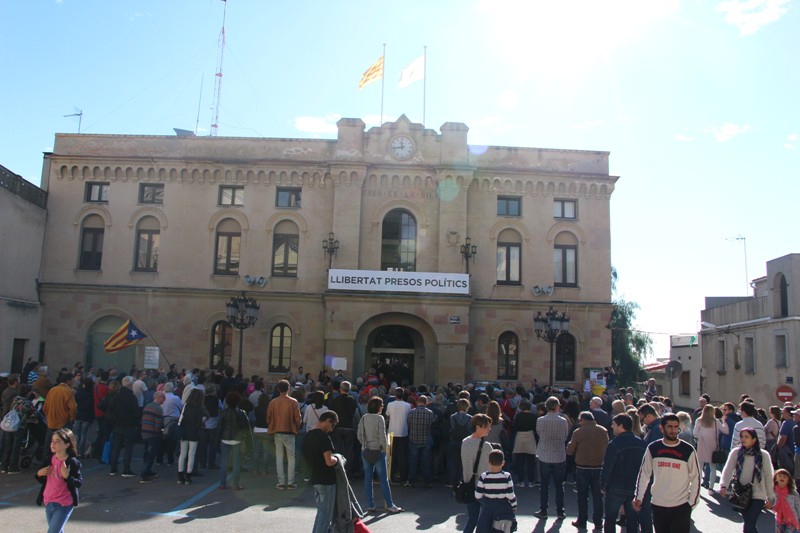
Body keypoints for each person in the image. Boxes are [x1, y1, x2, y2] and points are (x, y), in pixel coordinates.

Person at [634, 413, 701, 533]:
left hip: (681, 505)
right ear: (662, 428)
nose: (673, 430)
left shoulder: (688, 450)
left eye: (676, 427)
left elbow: (696, 478)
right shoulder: (653, 448)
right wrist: (639, 497)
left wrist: (691, 503)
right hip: (659, 504)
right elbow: (644, 474)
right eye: (670, 427)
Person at [601, 413, 652, 533]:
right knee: (632, 520)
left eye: (614, 425)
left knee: (610, 519)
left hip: (616, 487)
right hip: (634, 487)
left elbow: (608, 467)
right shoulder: (642, 443)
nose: (612, 427)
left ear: (621, 426)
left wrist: (603, 485)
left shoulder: (614, 444)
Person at [721, 428, 775, 532]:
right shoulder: (736, 452)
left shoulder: (763, 455)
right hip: (741, 493)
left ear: (754, 439)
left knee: (749, 523)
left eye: (747, 437)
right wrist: (724, 485)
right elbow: (728, 470)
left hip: (758, 494)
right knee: (749, 525)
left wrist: (771, 497)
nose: (743, 439)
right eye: (741, 436)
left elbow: (769, 476)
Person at [357, 396, 402, 514]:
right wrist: (385, 448)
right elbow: (382, 435)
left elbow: (359, 434)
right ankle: (390, 504)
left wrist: (365, 444)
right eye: (382, 405)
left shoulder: (364, 418)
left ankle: (371, 505)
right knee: (383, 479)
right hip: (378, 450)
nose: (382, 407)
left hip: (366, 450)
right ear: (378, 407)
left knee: (368, 479)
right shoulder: (379, 418)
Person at [566, 411, 609, 530]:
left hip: (582, 467)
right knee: (598, 497)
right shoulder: (603, 430)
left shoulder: (578, 432)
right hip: (599, 467)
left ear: (583, 420)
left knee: (582, 496)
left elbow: (570, 450)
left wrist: (570, 446)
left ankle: (582, 520)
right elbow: (607, 446)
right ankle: (598, 521)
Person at [36, 428, 83, 533]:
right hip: (49, 501)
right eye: (52, 441)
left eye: (58, 441)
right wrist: (39, 474)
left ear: (67, 445)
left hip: (64, 503)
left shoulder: (72, 462)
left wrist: (67, 477)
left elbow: (79, 483)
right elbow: (43, 480)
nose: (53, 444)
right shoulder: (49, 459)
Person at [534, 396, 570, 520]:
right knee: (559, 485)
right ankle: (560, 511)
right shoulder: (563, 421)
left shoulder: (540, 420)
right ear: (556, 407)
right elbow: (566, 435)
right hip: (559, 454)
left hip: (545, 454)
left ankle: (543, 510)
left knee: (544, 484)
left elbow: (539, 433)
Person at [305, 411, 340, 533]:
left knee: (321, 513)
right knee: (325, 516)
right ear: (328, 421)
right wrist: (337, 459)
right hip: (326, 480)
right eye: (332, 425)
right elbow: (329, 461)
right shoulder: (324, 438)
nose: (331, 429)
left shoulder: (308, 435)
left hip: (315, 478)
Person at [266, 379, 302, 490]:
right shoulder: (293, 402)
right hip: (290, 431)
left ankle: (281, 482)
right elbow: (298, 418)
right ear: (288, 389)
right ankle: (290, 482)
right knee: (291, 457)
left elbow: (268, 418)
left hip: (277, 431)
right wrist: (296, 428)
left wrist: (272, 426)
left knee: (279, 457)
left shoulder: (273, 402)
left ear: (278, 389)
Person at [461, 414, 494, 533]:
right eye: (487, 426)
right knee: (486, 521)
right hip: (484, 488)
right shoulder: (487, 447)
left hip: (469, 485)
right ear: (479, 426)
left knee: (472, 519)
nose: (489, 429)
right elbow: (490, 469)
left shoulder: (465, 442)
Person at [475, 449, 517, 533]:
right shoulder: (506, 476)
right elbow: (511, 495)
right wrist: (514, 506)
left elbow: (478, 495)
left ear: (489, 462)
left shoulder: (484, 476)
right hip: (504, 508)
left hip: (488, 509)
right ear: (503, 463)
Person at [693, 403, 729, 494]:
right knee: (713, 467)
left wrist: (701, 435)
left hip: (701, 446)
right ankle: (711, 488)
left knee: (700, 467)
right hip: (713, 446)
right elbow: (726, 431)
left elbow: (695, 434)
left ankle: (698, 487)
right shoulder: (716, 422)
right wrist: (724, 422)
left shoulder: (699, 421)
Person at [107, 376, 140, 477]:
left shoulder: (116, 397)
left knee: (116, 447)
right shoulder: (131, 397)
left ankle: (113, 468)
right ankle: (126, 469)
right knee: (128, 448)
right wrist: (136, 423)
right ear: (130, 384)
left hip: (117, 425)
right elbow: (136, 413)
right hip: (129, 426)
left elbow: (110, 410)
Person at [218, 391, 250, 490]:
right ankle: (236, 484)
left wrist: (217, 440)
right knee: (236, 462)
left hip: (225, 438)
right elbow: (247, 429)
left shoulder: (223, 413)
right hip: (237, 439)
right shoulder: (242, 413)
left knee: (224, 462)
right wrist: (248, 443)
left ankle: (222, 483)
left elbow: (220, 428)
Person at [177, 388, 207, 485]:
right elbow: (201, 421)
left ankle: (180, 475)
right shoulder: (199, 409)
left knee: (183, 454)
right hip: (194, 432)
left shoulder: (186, 406)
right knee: (191, 454)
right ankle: (188, 476)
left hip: (184, 431)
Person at [406, 394, 436, 488]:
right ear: (426, 403)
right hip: (426, 439)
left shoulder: (411, 412)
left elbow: (409, 424)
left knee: (413, 461)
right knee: (426, 462)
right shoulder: (430, 413)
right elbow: (431, 425)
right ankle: (427, 481)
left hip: (414, 438)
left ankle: (411, 481)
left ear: (418, 402)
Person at [42, 372, 77, 447]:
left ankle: (46, 458)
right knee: (61, 446)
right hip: (63, 422)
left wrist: (48, 416)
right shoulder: (68, 392)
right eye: (72, 380)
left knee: (48, 446)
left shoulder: (52, 390)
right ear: (68, 381)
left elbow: (45, 407)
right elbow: (73, 408)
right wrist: (71, 418)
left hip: (51, 422)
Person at [139, 390, 164, 483]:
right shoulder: (158, 409)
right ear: (159, 398)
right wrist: (161, 431)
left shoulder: (147, 406)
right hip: (152, 434)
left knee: (146, 453)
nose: (164, 400)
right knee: (151, 454)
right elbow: (158, 424)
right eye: (163, 398)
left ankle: (147, 471)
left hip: (144, 432)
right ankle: (145, 474)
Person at [511, 399, 537, 488]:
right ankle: (531, 480)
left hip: (520, 437)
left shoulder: (518, 416)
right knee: (530, 461)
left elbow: (515, 427)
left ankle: (521, 480)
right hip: (530, 436)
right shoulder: (534, 416)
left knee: (520, 460)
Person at [772, 468, 800, 533]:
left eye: (784, 477)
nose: (782, 478)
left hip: (791, 520)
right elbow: (771, 504)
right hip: (779, 520)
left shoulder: (793, 493)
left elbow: (798, 507)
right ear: (776, 479)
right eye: (779, 476)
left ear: (788, 480)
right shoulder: (773, 492)